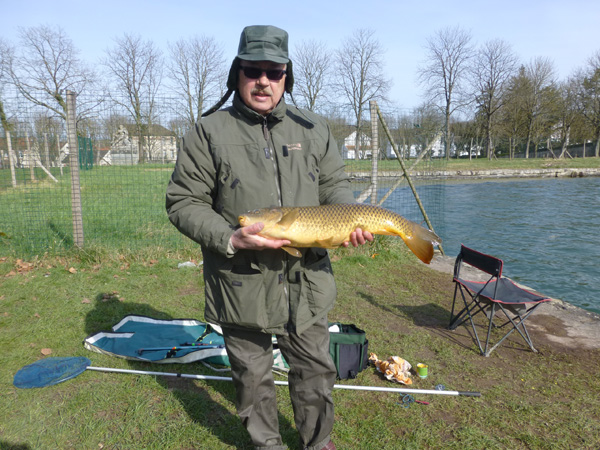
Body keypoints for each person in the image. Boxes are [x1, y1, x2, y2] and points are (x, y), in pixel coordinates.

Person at [166, 25, 372, 450]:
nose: (263, 80)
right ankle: (267, 445)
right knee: (252, 377)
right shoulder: (207, 132)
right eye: (252, 70)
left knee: (316, 370)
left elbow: (334, 188)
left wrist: (346, 222)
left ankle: (319, 442)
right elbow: (183, 202)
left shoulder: (314, 129)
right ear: (237, 73)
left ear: (286, 77)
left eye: (273, 72)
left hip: (306, 280)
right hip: (239, 281)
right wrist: (230, 238)